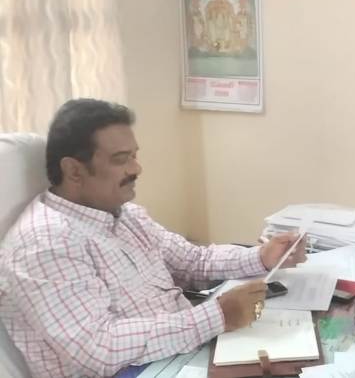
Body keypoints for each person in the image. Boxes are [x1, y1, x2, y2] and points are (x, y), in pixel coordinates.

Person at [0, 99, 307, 378]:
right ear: (74, 170)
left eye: (134, 156)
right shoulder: (44, 243)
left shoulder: (124, 215)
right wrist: (217, 316)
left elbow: (193, 261)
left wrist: (262, 256)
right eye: (121, 159)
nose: (136, 168)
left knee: (308, 357)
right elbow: (98, 349)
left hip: (182, 352)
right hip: (135, 370)